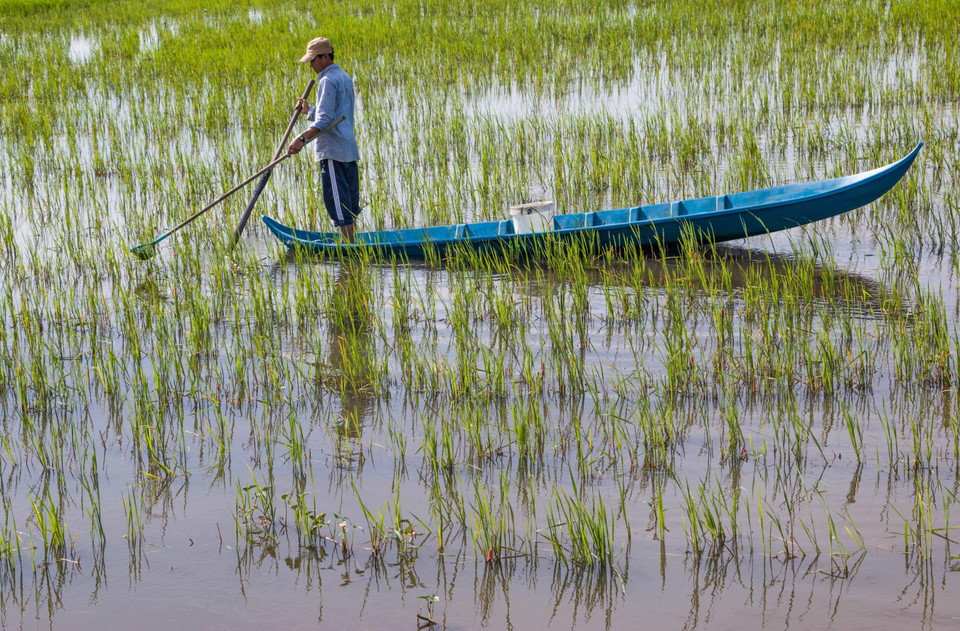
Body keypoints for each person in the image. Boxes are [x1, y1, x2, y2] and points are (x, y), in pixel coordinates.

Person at [288, 37, 361, 243]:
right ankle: (352, 242)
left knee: (337, 203)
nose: (311, 64)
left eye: (314, 59)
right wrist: (308, 111)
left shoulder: (327, 80)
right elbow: (330, 114)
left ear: (326, 56)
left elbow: (324, 121)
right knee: (348, 201)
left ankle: (348, 248)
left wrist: (300, 139)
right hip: (347, 149)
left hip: (332, 151)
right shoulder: (344, 77)